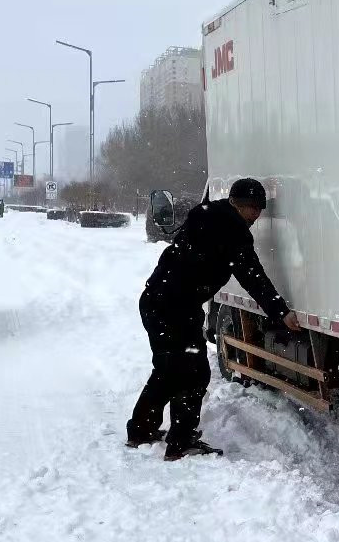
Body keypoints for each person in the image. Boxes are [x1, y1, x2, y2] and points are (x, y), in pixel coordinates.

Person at [127, 178, 300, 461]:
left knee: (168, 369)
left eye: (259, 209)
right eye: (252, 209)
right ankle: (180, 443)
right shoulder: (231, 230)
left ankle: (141, 430)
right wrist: (280, 311)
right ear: (237, 204)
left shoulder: (206, 212)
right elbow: (252, 276)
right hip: (175, 307)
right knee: (193, 373)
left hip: (157, 301)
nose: (256, 216)